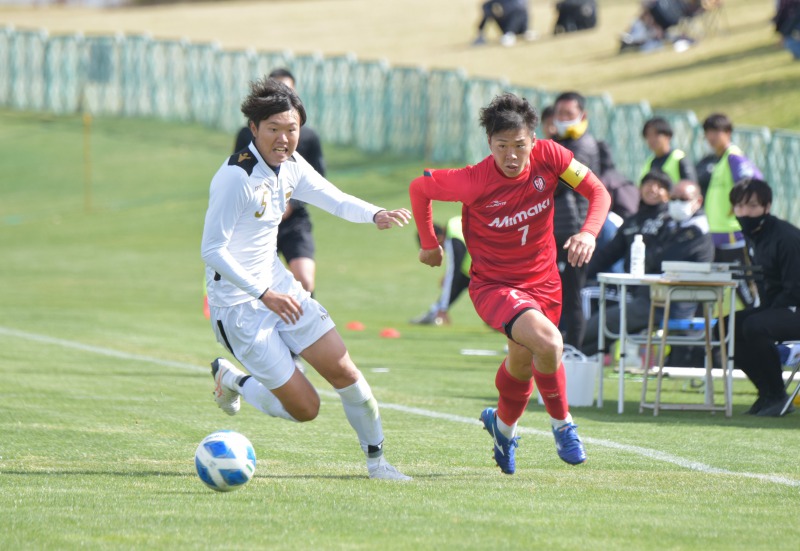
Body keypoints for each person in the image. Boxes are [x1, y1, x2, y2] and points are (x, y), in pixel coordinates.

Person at [201, 76, 412, 480]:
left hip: (281, 289)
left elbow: (335, 198)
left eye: (292, 128)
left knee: (346, 372)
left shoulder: (292, 166)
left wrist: (375, 214)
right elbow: (212, 250)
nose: (283, 139)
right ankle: (233, 380)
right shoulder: (235, 177)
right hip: (239, 308)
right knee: (306, 409)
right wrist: (263, 294)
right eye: (273, 129)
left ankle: (378, 464)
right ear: (254, 129)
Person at [409, 92, 611, 473]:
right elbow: (420, 188)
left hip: (545, 283)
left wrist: (588, 232)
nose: (511, 155)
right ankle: (563, 425)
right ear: (489, 144)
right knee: (550, 343)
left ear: (534, 140)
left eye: (519, 145)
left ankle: (502, 431)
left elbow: (597, 191)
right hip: (495, 287)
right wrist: (429, 244)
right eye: (501, 146)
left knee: (521, 363)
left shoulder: (552, 157)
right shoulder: (473, 180)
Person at [581, 176, 714, 356]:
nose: (677, 203)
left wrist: (652, 254)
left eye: (683, 199)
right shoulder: (672, 225)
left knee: (605, 319)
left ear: (698, 201)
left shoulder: (696, 230)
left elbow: (662, 260)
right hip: (654, 297)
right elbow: (611, 254)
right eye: (674, 199)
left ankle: (569, 346)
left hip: (670, 303)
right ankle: (576, 353)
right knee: (604, 322)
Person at [234, 68, 323, 296]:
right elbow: (239, 176)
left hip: (293, 220)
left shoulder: (308, 137)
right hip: (258, 219)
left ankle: (308, 317)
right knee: (260, 284)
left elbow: (317, 179)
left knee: (305, 280)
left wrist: (291, 204)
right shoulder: (247, 135)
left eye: (287, 90)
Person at [729, 178, 800, 416]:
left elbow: (795, 288)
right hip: (781, 306)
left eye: (752, 206)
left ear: (767, 207)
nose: (744, 213)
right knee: (726, 326)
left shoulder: (786, 238)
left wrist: (771, 310)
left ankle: (778, 395)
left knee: (755, 326)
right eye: (739, 206)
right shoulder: (754, 235)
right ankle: (767, 393)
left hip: (794, 306)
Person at [552, 91, 601, 348]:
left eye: (569, 114)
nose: (563, 119)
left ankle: (574, 349)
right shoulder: (563, 143)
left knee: (572, 295)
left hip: (575, 232)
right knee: (556, 293)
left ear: (583, 115)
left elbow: (560, 182)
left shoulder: (583, 146)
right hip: (557, 229)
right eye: (559, 113)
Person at [703, 113, 762, 309]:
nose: (711, 137)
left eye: (716, 131)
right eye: (708, 132)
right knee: (724, 290)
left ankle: (758, 320)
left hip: (732, 234)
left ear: (728, 132)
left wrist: (738, 206)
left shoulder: (734, 157)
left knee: (744, 288)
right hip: (718, 234)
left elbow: (753, 183)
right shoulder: (720, 161)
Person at [410, 216, 472, 326]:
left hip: (493, 267)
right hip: (486, 265)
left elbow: (454, 274)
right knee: (460, 280)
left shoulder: (453, 238)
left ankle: (438, 312)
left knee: (456, 280)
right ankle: (434, 313)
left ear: (438, 239)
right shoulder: (454, 223)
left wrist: (443, 308)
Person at [639, 117, 697, 185]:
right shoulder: (648, 163)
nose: (651, 139)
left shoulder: (679, 159)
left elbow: (691, 186)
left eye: (656, 135)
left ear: (668, 136)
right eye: (648, 135)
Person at [473, 0, 537, 47]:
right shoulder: (490, 5)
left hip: (520, 26)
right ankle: (509, 33)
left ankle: (525, 31)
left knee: (520, 10)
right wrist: (481, 32)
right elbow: (486, 11)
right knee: (490, 9)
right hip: (506, 29)